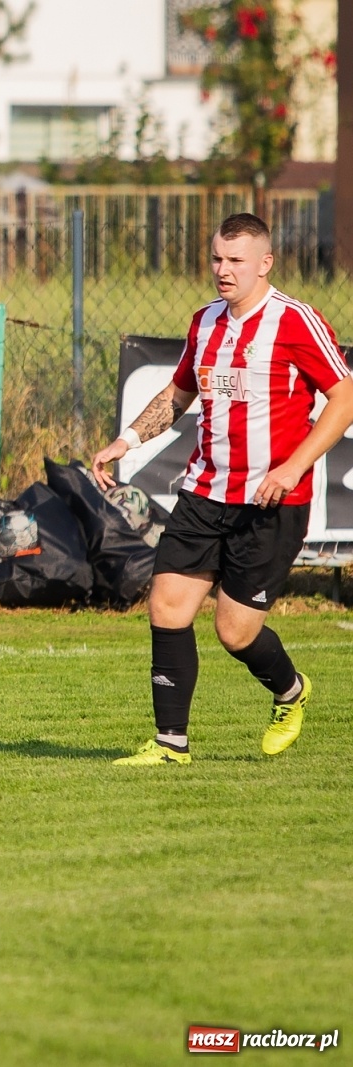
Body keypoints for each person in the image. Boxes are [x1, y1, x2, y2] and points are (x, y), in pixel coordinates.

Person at [90, 212, 353, 766]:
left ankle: (290, 691)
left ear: (265, 264)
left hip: (271, 503)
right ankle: (170, 746)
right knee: (166, 607)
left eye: (235, 261)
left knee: (234, 631)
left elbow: (344, 397)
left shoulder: (295, 321)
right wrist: (127, 439)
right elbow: (179, 391)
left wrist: (291, 468)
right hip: (205, 493)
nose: (223, 270)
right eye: (216, 258)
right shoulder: (205, 322)